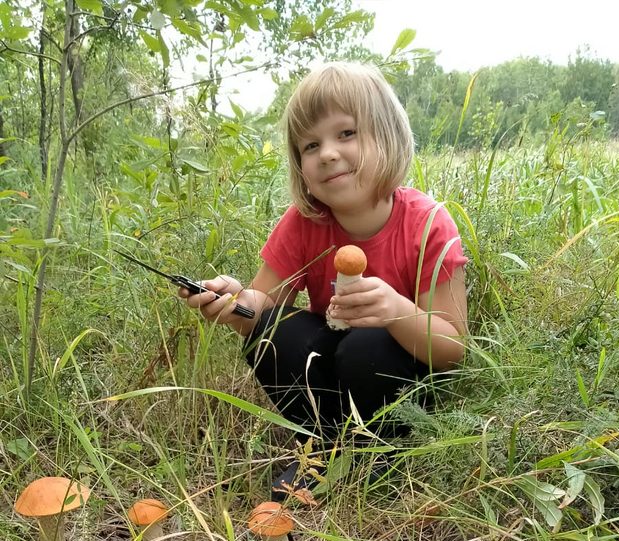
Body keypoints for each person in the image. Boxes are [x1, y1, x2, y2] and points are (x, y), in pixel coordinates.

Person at [181, 62, 468, 499]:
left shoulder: (428, 224)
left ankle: (381, 454)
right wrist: (232, 301)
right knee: (276, 331)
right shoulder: (304, 223)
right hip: (332, 371)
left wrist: (396, 311)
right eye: (310, 145)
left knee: (366, 344)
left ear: (387, 135)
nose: (328, 153)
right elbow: (261, 308)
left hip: (401, 375)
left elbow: (452, 350)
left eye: (346, 133)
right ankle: (320, 448)